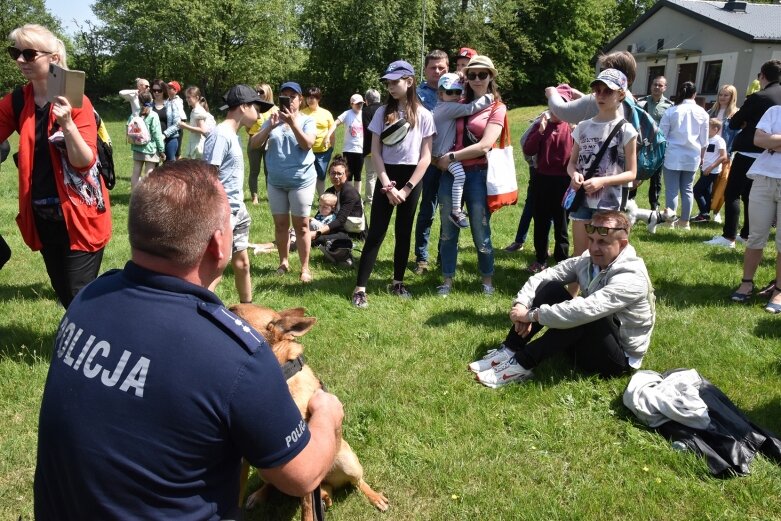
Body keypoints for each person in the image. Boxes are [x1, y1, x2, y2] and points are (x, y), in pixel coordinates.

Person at [33, 161, 344, 519]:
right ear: (218, 244)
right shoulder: (235, 355)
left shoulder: (87, 301)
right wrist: (325, 414)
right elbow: (300, 477)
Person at [470, 210, 655, 388]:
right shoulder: (588, 259)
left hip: (618, 360)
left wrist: (531, 316)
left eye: (603, 242)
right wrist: (522, 304)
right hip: (587, 342)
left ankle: (522, 364)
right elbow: (544, 277)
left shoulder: (631, 276)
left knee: (581, 312)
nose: (593, 248)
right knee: (551, 288)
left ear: (622, 244)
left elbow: (584, 310)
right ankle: (510, 349)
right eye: (591, 240)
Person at [0, 24, 111, 308]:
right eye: (16, 52)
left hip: (79, 214)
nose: (20, 60)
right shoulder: (16, 101)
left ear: (53, 58)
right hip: (42, 213)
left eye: (29, 53)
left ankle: (98, 342)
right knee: (63, 290)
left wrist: (68, 124)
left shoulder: (77, 102)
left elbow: (84, 161)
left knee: (77, 294)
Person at [351, 60, 434, 308]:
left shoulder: (424, 115)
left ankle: (398, 282)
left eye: (395, 82)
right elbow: (375, 151)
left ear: (409, 82)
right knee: (376, 232)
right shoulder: (380, 112)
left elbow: (426, 157)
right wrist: (387, 185)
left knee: (403, 232)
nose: (390, 86)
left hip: (412, 180)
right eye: (387, 82)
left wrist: (407, 189)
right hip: (387, 177)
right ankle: (360, 288)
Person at [433, 55, 506, 296]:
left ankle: (487, 280)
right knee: (447, 228)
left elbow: (485, 145)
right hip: (449, 174)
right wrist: (438, 159)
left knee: (479, 227)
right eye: (472, 74)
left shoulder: (497, 107)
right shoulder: (455, 100)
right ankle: (447, 280)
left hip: (477, 174)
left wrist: (451, 158)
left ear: (491, 77)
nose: (477, 79)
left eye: (482, 74)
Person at [203, 84, 272, 302]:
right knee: (215, 269)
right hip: (223, 213)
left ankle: (247, 309)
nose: (259, 113)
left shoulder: (234, 135)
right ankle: (201, 311)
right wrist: (219, 214)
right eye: (257, 108)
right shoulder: (221, 134)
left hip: (237, 210)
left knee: (242, 264)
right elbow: (208, 178)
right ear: (243, 106)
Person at [705, 60, 781, 249]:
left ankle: (729, 236)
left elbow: (734, 123)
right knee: (753, 196)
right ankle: (746, 234)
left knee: (732, 193)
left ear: (762, 76)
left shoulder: (759, 97)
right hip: (774, 156)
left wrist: (747, 124)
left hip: (750, 152)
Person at [566, 69, 638, 257]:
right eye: (597, 90)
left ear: (621, 94)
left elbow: (632, 173)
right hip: (582, 199)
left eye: (608, 91)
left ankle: (601, 287)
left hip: (609, 203)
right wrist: (574, 174)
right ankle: (573, 288)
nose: (601, 95)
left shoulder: (626, 130)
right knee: (579, 255)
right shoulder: (583, 127)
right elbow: (571, 163)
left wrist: (602, 181)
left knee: (604, 255)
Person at [252, 81, 317, 283]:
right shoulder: (271, 118)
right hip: (276, 181)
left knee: (302, 226)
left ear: (300, 99)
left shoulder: (307, 120)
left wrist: (292, 124)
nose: (289, 100)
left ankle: (305, 267)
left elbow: (307, 144)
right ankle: (284, 262)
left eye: (293, 96)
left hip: (301, 180)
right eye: (285, 96)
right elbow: (254, 144)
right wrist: (269, 127)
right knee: (280, 225)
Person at [729, 104, 781, 313]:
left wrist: (773, 142)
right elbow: (758, 140)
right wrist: (768, 142)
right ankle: (747, 282)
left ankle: (778, 290)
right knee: (755, 236)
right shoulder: (774, 111)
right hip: (763, 178)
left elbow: (766, 141)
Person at [431, 72, 493, 228]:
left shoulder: (442, 106)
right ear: (440, 94)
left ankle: (456, 209)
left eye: (457, 92)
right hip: (442, 155)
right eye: (449, 92)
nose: (454, 95)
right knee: (460, 176)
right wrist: (489, 98)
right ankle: (456, 210)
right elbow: (471, 108)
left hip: (440, 153)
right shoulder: (448, 108)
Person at [522, 108, 573, 273]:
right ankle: (541, 259)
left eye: (561, 107)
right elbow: (528, 150)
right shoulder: (541, 125)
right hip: (542, 179)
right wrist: (541, 130)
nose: (556, 111)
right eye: (553, 107)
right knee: (541, 222)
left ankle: (561, 261)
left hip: (564, 181)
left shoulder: (572, 126)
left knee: (562, 223)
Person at [413, 49, 449, 275]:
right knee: (427, 209)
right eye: (433, 68)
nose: (437, 72)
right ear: (425, 70)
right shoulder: (416, 95)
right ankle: (422, 258)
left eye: (441, 67)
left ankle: (445, 256)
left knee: (450, 211)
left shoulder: (458, 90)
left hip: (452, 161)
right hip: (427, 162)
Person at [656, 81, 709, 231]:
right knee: (687, 189)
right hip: (693, 155)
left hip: (673, 154)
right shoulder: (702, 112)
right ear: (695, 94)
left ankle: (669, 222)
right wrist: (702, 157)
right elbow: (704, 141)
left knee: (672, 190)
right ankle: (685, 222)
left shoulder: (672, 111)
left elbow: (662, 135)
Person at [312, 155, 365, 248]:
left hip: (349, 232)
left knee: (318, 238)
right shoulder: (330, 191)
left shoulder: (349, 192)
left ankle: (294, 244)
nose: (336, 176)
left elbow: (340, 221)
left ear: (346, 174)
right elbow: (320, 212)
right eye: (333, 173)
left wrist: (317, 232)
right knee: (303, 231)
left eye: (339, 173)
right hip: (334, 227)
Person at [637, 76, 673, 212]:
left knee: (656, 177)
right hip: (641, 143)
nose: (657, 87)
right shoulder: (641, 102)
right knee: (637, 171)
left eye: (660, 85)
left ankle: (654, 205)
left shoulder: (669, 106)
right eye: (654, 84)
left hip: (657, 145)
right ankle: (630, 201)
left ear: (665, 88)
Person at [705, 84, 740, 222]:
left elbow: (737, 135)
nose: (722, 98)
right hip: (709, 152)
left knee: (721, 184)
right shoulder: (710, 112)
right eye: (721, 94)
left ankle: (717, 211)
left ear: (732, 97)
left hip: (724, 154)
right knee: (707, 183)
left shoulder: (736, 115)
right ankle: (705, 210)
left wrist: (729, 153)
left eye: (726, 95)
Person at [327, 93, 365, 194]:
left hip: (360, 149)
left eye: (361, 103)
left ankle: (357, 197)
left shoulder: (364, 114)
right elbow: (335, 123)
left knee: (358, 175)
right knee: (348, 175)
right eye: (357, 103)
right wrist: (328, 135)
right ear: (351, 104)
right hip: (348, 150)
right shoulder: (347, 114)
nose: (359, 105)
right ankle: (347, 195)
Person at [692, 119, 728, 223]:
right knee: (706, 192)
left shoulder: (719, 140)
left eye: (707, 128)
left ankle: (704, 214)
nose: (705, 130)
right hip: (705, 169)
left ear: (715, 129)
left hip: (712, 171)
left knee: (697, 190)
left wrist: (711, 167)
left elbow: (723, 156)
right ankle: (704, 214)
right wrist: (702, 159)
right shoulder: (707, 139)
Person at [247, 83, 278, 205]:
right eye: (257, 91)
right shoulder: (253, 107)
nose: (258, 94)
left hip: (269, 143)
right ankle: (254, 197)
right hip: (254, 141)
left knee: (268, 171)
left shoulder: (275, 109)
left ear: (268, 93)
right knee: (254, 171)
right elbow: (247, 125)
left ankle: (270, 195)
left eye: (261, 92)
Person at [302, 86, 335, 196]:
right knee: (306, 175)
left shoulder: (326, 113)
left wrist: (331, 148)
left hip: (323, 151)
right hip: (306, 150)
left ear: (318, 99)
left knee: (321, 176)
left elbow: (332, 129)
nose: (310, 100)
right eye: (308, 97)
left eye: (313, 97)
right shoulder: (302, 113)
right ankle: (306, 198)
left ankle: (322, 198)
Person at [129, 91, 165, 189]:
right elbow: (157, 134)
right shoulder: (153, 115)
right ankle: (145, 196)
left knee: (136, 173)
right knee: (149, 174)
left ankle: (134, 196)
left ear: (139, 102)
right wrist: (161, 150)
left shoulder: (134, 114)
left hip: (137, 147)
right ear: (151, 100)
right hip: (150, 149)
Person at [178, 85, 215, 160]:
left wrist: (185, 126)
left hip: (198, 144)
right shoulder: (195, 110)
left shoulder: (198, 111)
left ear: (197, 98)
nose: (187, 99)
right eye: (186, 97)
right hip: (195, 142)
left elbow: (202, 130)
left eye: (189, 97)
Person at [150, 79, 181, 163]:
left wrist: (164, 134)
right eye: (154, 90)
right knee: (153, 167)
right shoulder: (149, 106)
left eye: (159, 90)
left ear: (163, 90)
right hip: (153, 140)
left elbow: (177, 124)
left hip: (170, 139)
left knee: (169, 168)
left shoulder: (171, 104)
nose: (156, 93)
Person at [362, 88, 382, 205]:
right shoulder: (385, 108)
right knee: (382, 174)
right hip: (386, 146)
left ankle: (369, 200)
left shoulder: (365, 111)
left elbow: (368, 128)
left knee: (370, 175)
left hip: (370, 147)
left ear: (366, 100)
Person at [167, 80, 186, 159]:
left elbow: (182, 116)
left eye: (170, 88)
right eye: (167, 87)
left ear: (175, 90)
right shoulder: (168, 101)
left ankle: (179, 167)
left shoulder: (177, 101)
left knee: (177, 152)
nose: (167, 89)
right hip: (170, 127)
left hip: (178, 127)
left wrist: (181, 123)